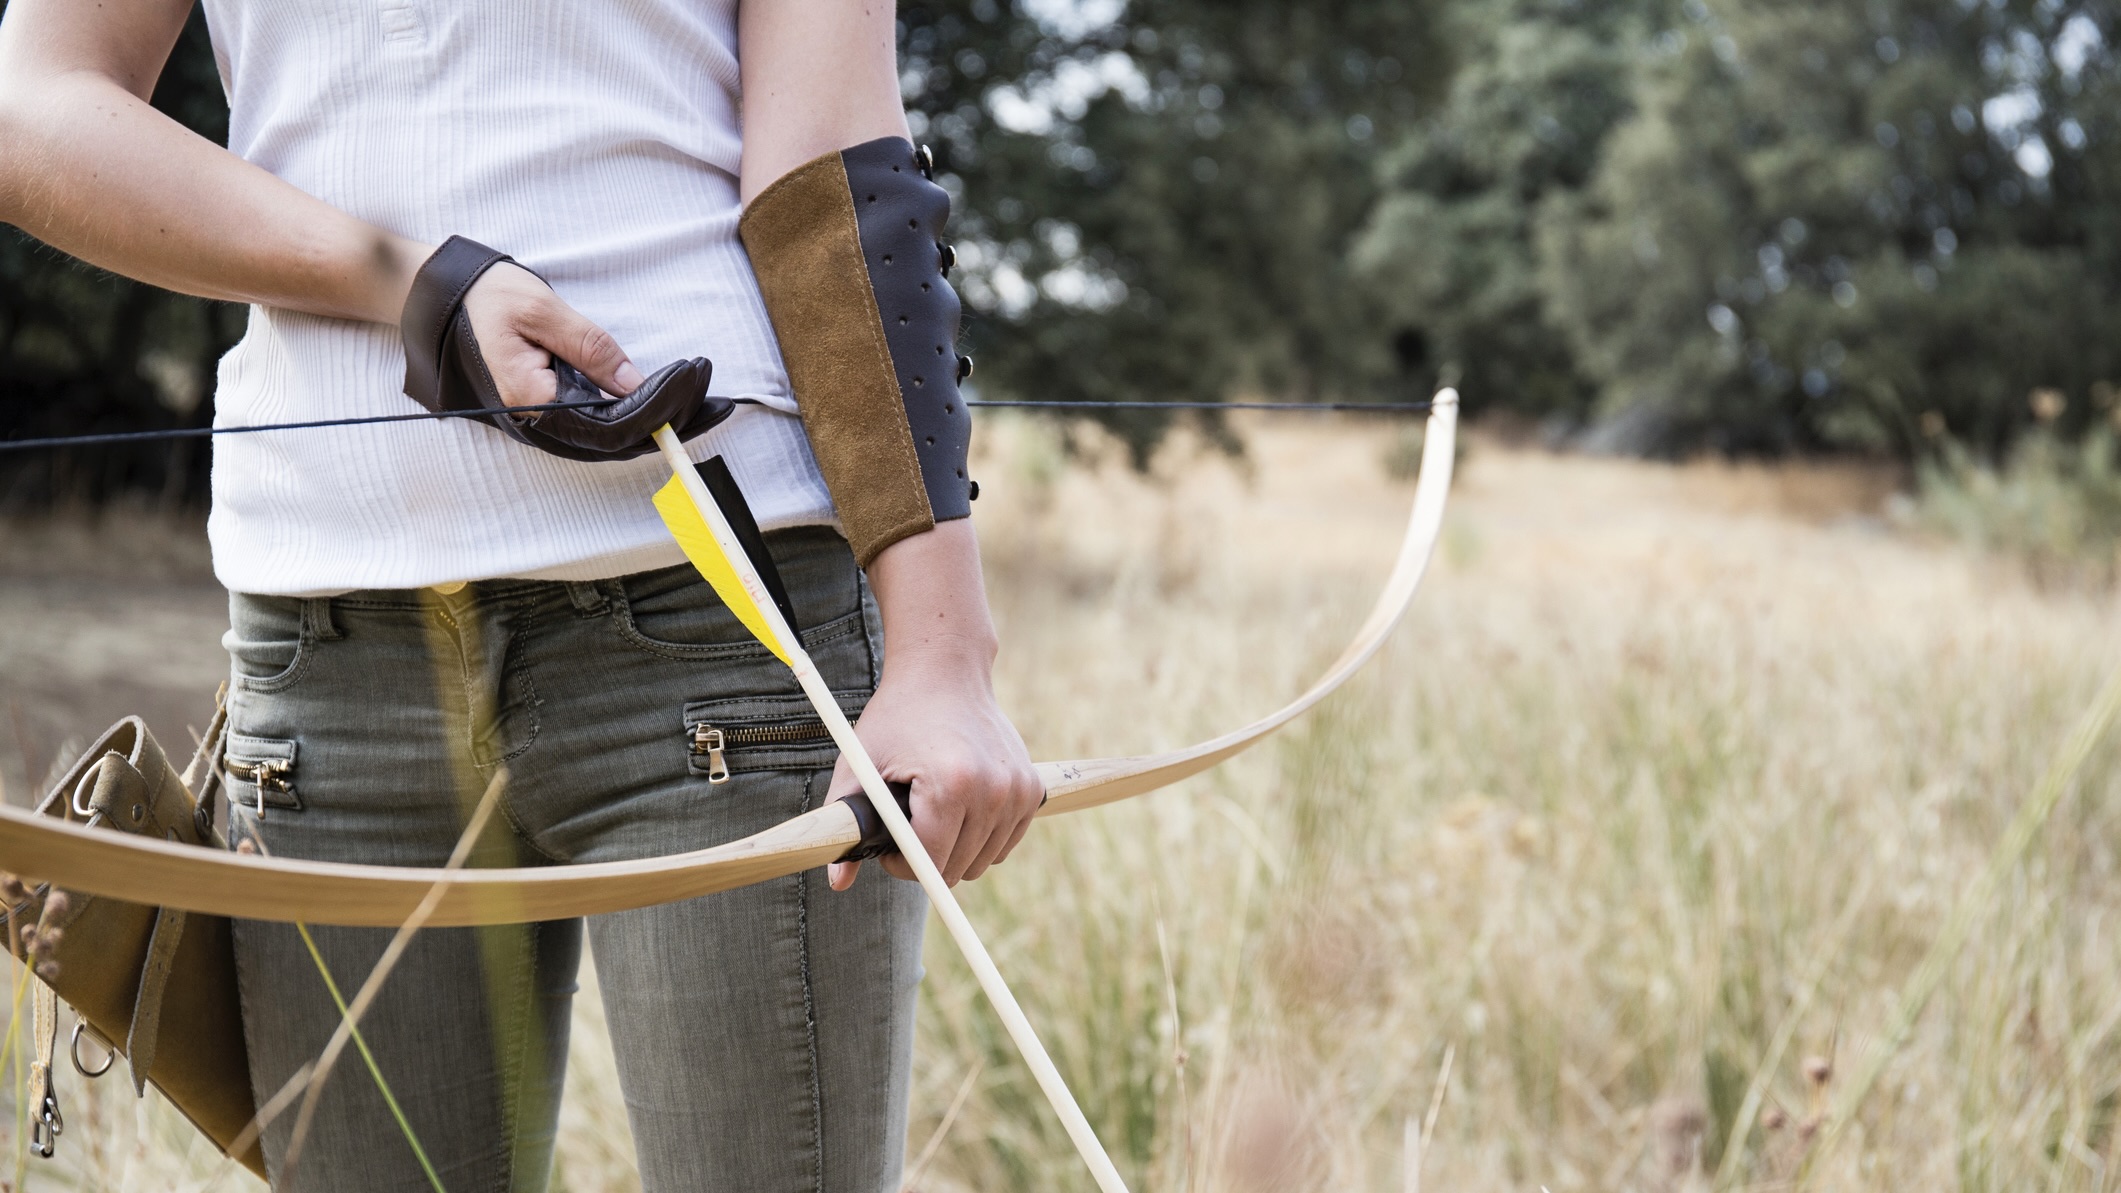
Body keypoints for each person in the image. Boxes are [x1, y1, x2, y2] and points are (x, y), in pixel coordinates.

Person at [0, 1, 1045, 1189]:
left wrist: (944, 653)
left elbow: (837, 180)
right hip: (331, 669)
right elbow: (35, 110)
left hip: (728, 648)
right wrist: (405, 279)